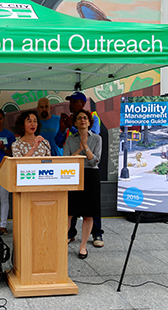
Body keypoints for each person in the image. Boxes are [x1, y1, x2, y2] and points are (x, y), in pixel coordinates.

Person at [60, 91, 104, 248]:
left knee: (89, 212)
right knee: (70, 210)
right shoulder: (70, 138)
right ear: (75, 122)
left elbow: (94, 162)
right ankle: (68, 235)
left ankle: (91, 239)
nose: (82, 120)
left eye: (84, 118)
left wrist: (85, 146)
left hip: (91, 175)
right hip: (73, 175)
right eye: (79, 118)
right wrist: (79, 150)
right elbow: (66, 160)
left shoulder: (96, 137)